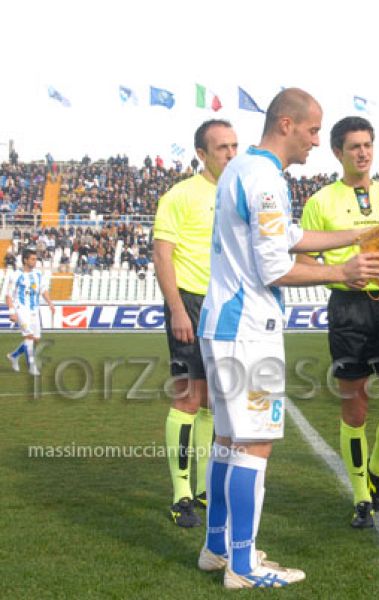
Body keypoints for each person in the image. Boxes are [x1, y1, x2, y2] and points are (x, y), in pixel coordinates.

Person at [196, 89, 379, 589]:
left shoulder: (243, 169)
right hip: (247, 330)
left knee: (227, 441)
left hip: (225, 323)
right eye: (312, 130)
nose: (316, 141)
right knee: (253, 443)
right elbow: (276, 266)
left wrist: (354, 238)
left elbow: (290, 237)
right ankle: (243, 565)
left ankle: (217, 548)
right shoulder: (263, 180)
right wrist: (341, 272)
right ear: (286, 124)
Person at [299, 116, 379, 528]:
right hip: (348, 309)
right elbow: (301, 261)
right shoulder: (320, 202)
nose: (363, 152)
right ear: (338, 152)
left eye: (367, 145)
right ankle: (360, 497)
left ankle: (377, 466)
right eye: (354, 146)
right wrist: (341, 271)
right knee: (355, 410)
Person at [153, 119, 239, 529]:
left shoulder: (239, 193)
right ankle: (180, 494)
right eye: (222, 148)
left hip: (226, 306)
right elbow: (162, 254)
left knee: (213, 404)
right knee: (188, 400)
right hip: (190, 302)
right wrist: (177, 309)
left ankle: (204, 488)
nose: (230, 154)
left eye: (234, 146)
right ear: (201, 154)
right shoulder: (180, 195)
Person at [6, 248, 55, 376]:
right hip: (21, 309)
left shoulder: (38, 274)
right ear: (25, 260)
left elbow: (43, 290)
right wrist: (12, 312)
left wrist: (50, 303)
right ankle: (32, 366)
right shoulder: (16, 274)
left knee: (36, 339)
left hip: (34, 310)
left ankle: (14, 356)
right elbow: (8, 295)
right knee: (29, 337)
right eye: (32, 259)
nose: (35, 261)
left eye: (35, 259)